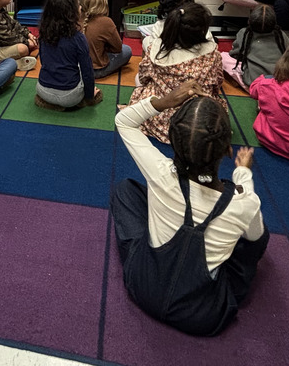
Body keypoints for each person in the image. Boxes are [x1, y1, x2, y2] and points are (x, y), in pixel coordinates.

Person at [112, 80, 268, 336]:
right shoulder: (244, 203)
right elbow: (256, 240)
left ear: (173, 142)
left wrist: (164, 101)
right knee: (255, 238)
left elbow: (124, 122)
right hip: (203, 316)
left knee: (125, 191)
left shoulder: (159, 173)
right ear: (227, 150)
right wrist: (242, 174)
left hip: (142, 286)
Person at [129, 4, 223, 143]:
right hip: (200, 119)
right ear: (202, 31)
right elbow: (217, 82)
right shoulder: (213, 54)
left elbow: (144, 77)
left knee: (139, 79)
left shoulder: (156, 51)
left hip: (160, 116)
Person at [35, 0, 102, 110]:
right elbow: (87, 72)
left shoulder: (43, 32)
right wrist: (89, 96)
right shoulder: (78, 38)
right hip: (69, 97)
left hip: (42, 90)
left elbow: (44, 61)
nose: (80, 7)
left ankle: (51, 102)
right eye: (78, 5)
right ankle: (79, 100)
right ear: (71, 13)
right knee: (82, 67)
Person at [221, 4, 289, 90]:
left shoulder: (244, 33)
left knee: (223, 57)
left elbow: (235, 54)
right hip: (279, 81)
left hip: (254, 82)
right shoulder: (281, 35)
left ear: (250, 21)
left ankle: (250, 89)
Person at [81, 0, 132, 79]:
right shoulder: (106, 22)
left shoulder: (78, 19)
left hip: (79, 69)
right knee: (127, 50)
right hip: (97, 70)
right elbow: (118, 48)